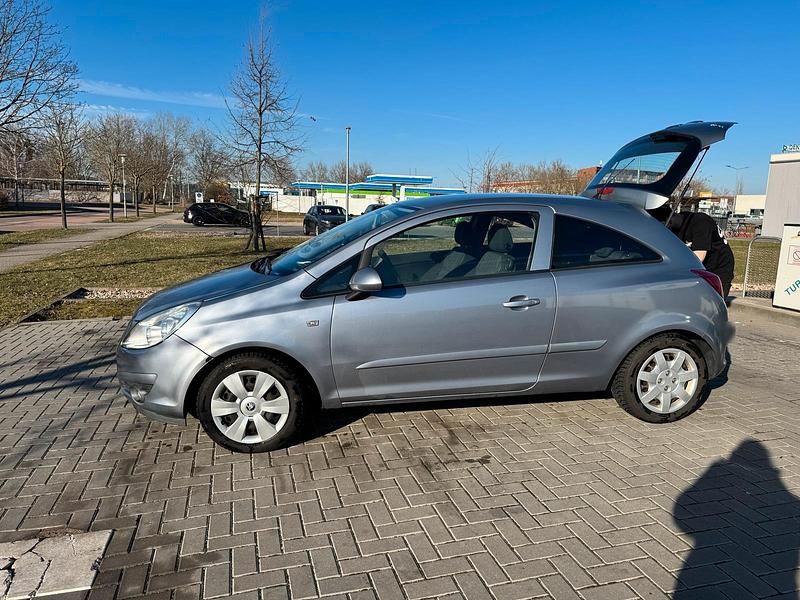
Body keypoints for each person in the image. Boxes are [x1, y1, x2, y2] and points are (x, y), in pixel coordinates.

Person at [650, 205, 735, 299]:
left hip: (719, 267)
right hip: (702, 268)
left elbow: (699, 256)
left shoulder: (700, 222)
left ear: (668, 219)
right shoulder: (675, 229)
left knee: (714, 302)